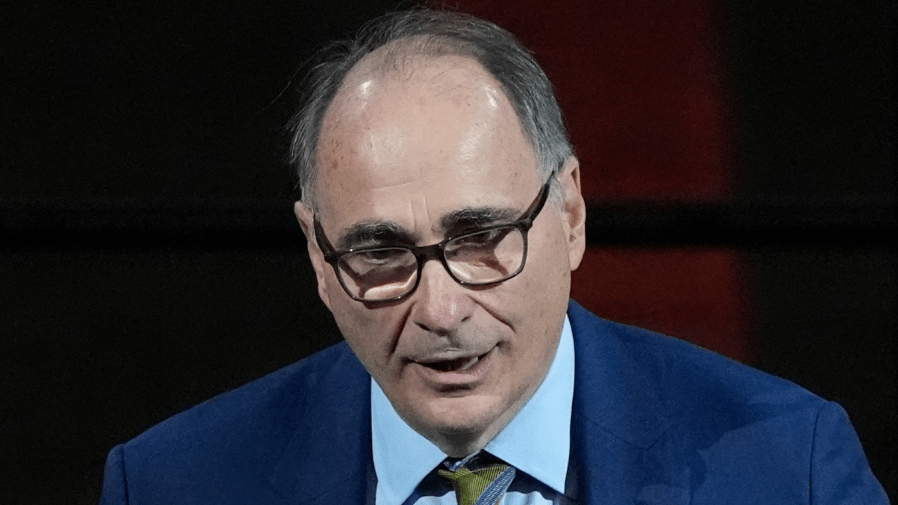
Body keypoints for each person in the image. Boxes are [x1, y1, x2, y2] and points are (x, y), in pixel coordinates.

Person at [99, 9, 888, 505]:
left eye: (480, 238)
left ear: (569, 214)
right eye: (380, 252)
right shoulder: (172, 483)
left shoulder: (789, 467)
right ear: (317, 253)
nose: (440, 311)